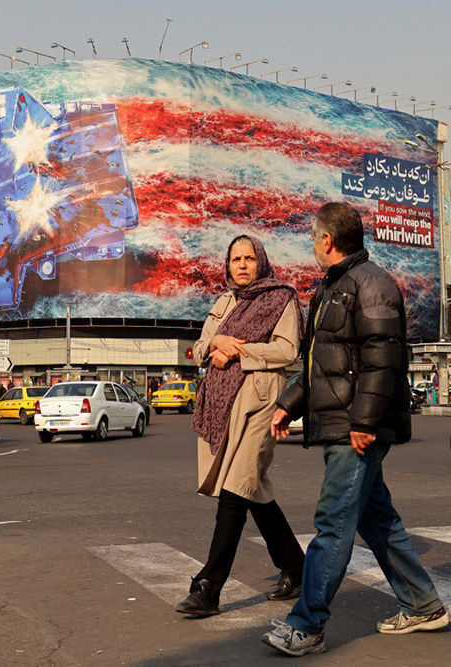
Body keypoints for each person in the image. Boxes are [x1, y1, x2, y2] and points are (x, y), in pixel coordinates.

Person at [265, 202, 450, 656]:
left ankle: (307, 625)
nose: (312, 244)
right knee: (375, 519)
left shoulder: (372, 284)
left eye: (313, 237)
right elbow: (318, 366)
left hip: (354, 428)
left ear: (327, 241)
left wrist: (365, 423)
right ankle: (424, 605)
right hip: (342, 424)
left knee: (332, 524)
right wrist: (288, 405)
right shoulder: (331, 289)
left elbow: (383, 357)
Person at [176, 234, 306, 618]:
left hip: (261, 402)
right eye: (236, 259)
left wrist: (240, 349)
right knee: (254, 491)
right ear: (228, 264)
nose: (243, 265)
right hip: (223, 401)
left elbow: (287, 350)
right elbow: (199, 348)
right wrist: (218, 344)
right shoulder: (225, 301)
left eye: (250, 258)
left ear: (261, 261)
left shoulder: (280, 297)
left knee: (236, 490)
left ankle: (208, 587)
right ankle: (297, 568)